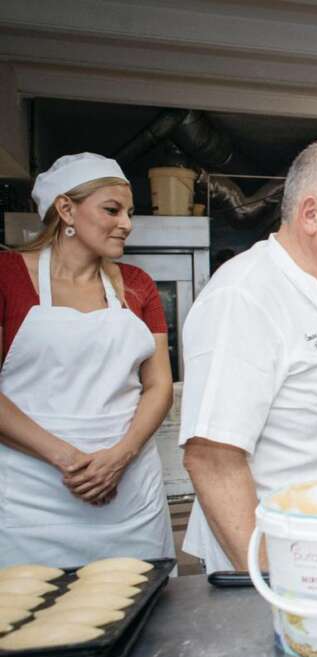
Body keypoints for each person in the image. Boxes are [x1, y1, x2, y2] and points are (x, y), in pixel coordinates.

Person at [179, 140, 317, 572]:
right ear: (311, 215)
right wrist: (265, 579)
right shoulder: (247, 295)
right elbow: (213, 456)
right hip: (276, 556)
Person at [0, 153, 174, 566]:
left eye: (129, 212)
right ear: (66, 209)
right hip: (33, 496)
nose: (127, 223)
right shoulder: (6, 276)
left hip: (129, 490)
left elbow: (159, 385)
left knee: (145, 607)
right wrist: (69, 460)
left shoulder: (137, 286)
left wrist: (121, 456)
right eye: (112, 210)